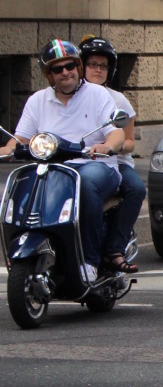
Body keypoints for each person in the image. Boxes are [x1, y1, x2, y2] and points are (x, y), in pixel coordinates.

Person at [0, 40, 125, 283]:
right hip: (51, 168)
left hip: (95, 165)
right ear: (49, 74)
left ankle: (90, 262)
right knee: (19, 187)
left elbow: (117, 133)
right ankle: (21, 252)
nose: (65, 72)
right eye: (58, 69)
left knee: (86, 184)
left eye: (70, 66)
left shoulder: (97, 94)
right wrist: (6, 149)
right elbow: (19, 139)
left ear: (78, 67)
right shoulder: (37, 100)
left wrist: (107, 146)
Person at [79, 36, 145, 274]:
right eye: (93, 64)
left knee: (136, 188)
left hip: (114, 162)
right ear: (82, 66)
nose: (98, 70)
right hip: (79, 161)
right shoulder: (72, 97)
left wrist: (111, 146)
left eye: (103, 66)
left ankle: (114, 248)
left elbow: (129, 142)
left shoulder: (119, 100)